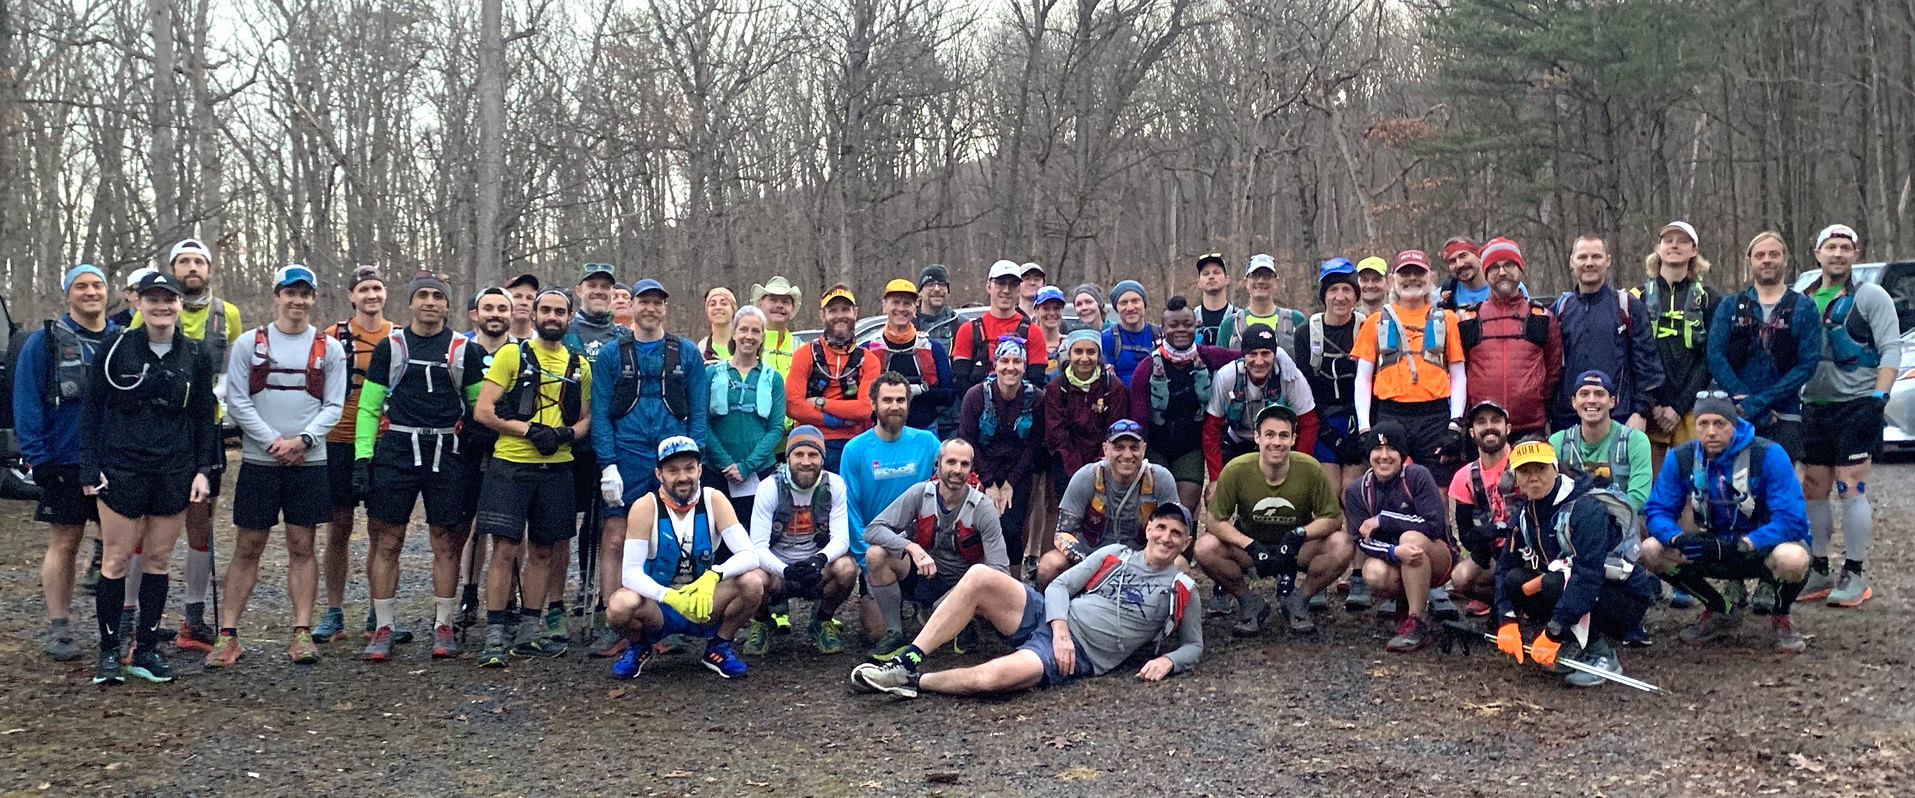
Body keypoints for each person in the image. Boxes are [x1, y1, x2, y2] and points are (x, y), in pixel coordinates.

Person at [850, 502, 1203, 698]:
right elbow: (1058, 587)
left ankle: (912, 683)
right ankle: (907, 661)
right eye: (1161, 527)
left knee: (987, 681)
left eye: (1176, 533)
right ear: (1148, 528)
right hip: (1052, 618)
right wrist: (1060, 628)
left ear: (1186, 542)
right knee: (980, 576)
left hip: (1080, 656)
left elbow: (1193, 645)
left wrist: (1169, 662)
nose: (1166, 537)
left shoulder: (1183, 586)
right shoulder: (1116, 554)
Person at [206, 265, 348, 668]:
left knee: (302, 545)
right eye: (290, 292)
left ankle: (302, 632)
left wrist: (302, 441)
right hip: (259, 460)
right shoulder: (250, 343)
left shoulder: (329, 348)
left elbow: (334, 405)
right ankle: (228, 634)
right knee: (248, 545)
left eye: (305, 294)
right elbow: (237, 400)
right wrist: (274, 442)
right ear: (277, 295)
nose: (297, 301)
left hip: (310, 460)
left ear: (314, 298)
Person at [82, 271, 219, 685]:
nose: (162, 307)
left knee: (159, 560)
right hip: (122, 468)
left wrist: (203, 470)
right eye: (153, 299)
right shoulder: (116, 347)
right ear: (137, 303)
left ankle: (146, 649)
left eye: (169, 300)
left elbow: (202, 417)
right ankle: (109, 651)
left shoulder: (195, 354)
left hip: (174, 470)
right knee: (117, 559)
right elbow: (91, 411)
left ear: (180, 305)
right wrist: (88, 467)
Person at [354, 271, 490, 660]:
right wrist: (363, 458)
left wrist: (479, 446)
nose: (430, 302)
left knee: (446, 541)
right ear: (411, 302)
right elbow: (368, 407)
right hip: (397, 447)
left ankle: (443, 625)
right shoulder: (390, 348)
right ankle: (383, 627)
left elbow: (481, 406)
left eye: (437, 296)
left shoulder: (467, 350)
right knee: (388, 539)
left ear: (448, 305)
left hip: (450, 450)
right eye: (423, 295)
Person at [473, 289, 594, 667]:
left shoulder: (580, 365)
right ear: (535, 314)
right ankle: (494, 632)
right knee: (505, 548)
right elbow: (483, 411)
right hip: (510, 464)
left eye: (560, 311)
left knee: (544, 549)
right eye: (546, 310)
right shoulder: (512, 354)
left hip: (557, 466)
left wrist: (565, 435)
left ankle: (529, 630)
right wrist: (526, 431)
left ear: (569, 317)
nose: (553, 316)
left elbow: (586, 419)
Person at [589, 278, 711, 656]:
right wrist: (607, 464)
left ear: (665, 308)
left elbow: (699, 412)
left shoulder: (686, 353)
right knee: (615, 537)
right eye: (644, 301)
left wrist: (695, 460)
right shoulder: (611, 354)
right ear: (631, 306)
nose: (651, 308)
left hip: (672, 455)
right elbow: (600, 413)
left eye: (658, 302)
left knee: (670, 538)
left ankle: (666, 619)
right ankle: (615, 620)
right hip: (626, 454)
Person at [1641, 393, 1811, 652]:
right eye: (1703, 423)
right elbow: (1656, 510)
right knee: (1651, 550)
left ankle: (1781, 617)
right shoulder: (1682, 457)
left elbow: (1792, 518)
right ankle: (1720, 610)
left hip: (1760, 546)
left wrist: (1748, 543)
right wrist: (1678, 538)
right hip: (1708, 544)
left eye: (1720, 423)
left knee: (1794, 558)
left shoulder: (1768, 454)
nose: (1711, 432)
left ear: (1735, 423)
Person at [1493, 440, 1657, 688]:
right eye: (1525, 471)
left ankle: (1601, 654)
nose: (1534, 478)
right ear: (1515, 477)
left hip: (1622, 597)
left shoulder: (1585, 507)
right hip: (1575, 590)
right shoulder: (1526, 511)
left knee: (1553, 582)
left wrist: (1553, 630)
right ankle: (1572, 639)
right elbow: (1506, 565)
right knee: (1516, 581)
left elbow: (1588, 574)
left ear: (1555, 468)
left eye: (1541, 469)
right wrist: (1505, 618)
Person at [16, 265, 119, 662]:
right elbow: (26, 401)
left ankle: (121, 622)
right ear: (68, 294)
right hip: (66, 458)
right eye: (81, 286)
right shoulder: (44, 342)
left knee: (122, 544)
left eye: (97, 285)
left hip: (117, 460)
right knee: (65, 541)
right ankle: (59, 626)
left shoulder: (123, 339)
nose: (90, 292)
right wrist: (37, 457)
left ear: (107, 292)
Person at [1797, 224, 1900, 608]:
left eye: (1845, 247)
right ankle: (1820, 568)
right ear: (1817, 252)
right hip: (1814, 406)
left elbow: (1890, 347)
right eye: (1830, 246)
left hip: (1858, 403)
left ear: (1856, 255)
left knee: (1850, 484)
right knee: (1813, 487)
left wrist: (1880, 396)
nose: (1837, 253)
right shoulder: (1802, 297)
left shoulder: (1871, 296)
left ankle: (1854, 572)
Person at [147, 238, 241, 654]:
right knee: (150, 528)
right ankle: (138, 621)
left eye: (198, 261)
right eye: (183, 261)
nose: (191, 268)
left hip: (209, 430)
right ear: (172, 268)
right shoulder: (150, 310)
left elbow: (233, 369)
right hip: (159, 433)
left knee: (201, 524)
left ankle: (194, 617)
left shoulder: (228, 314)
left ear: (209, 269)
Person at [604, 437, 761, 680]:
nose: (682, 477)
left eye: (689, 468)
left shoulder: (714, 500)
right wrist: (669, 596)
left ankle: (719, 646)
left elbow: (750, 555)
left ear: (700, 469)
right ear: (659, 474)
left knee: (752, 582)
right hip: (658, 607)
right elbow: (630, 573)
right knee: (619, 605)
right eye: (672, 470)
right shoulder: (645, 507)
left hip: (705, 602)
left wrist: (713, 577)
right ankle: (638, 646)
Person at [1194, 404, 1348, 637]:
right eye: (1270, 434)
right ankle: (1249, 601)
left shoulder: (1310, 468)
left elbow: (1333, 518)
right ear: (1257, 437)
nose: (1276, 442)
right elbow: (1215, 521)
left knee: (1342, 544)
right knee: (1205, 547)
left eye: (1284, 435)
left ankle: (1300, 599)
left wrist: (1299, 535)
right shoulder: (1236, 469)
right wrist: (1250, 545)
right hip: (1251, 546)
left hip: (1297, 548)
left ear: (1294, 438)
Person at [862, 438, 1009, 660]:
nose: (957, 470)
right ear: (937, 463)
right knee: (875, 555)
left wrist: (961, 596)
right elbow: (872, 530)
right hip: (922, 574)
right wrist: (912, 548)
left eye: (964, 464)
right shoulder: (920, 493)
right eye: (950, 462)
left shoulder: (982, 507)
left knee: (979, 589)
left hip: (962, 587)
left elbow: (1000, 569)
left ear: (971, 469)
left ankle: (964, 622)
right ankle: (895, 634)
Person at [315, 264, 391, 644]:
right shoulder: (333, 337)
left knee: (381, 530)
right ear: (351, 296)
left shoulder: (397, 337)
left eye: (376, 288)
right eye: (363, 289)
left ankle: (379, 610)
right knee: (339, 528)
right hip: (338, 439)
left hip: (384, 443)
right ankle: (334, 611)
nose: (371, 295)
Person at [1353, 250, 1469, 489]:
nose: (1412, 279)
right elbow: (1363, 379)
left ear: (1431, 276)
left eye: (1419, 272)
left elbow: (1458, 375)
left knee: (1438, 492)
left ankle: (1439, 528)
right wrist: (1365, 427)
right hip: (1391, 414)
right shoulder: (1375, 322)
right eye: (1405, 273)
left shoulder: (1447, 320)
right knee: (1391, 487)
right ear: (1392, 279)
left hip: (1434, 416)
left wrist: (1455, 424)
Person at [1706, 230, 1823, 461]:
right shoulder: (1730, 306)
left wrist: (1759, 402)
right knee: (1734, 487)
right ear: (1750, 261)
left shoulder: (1804, 307)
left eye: (1774, 254)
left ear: (1785, 260)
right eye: (1760, 255)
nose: (1767, 260)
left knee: (1780, 488)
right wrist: (1743, 398)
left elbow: (1807, 364)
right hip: (1736, 414)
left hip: (1784, 413)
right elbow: (1715, 356)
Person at [1342, 421, 1454, 652]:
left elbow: (1434, 526)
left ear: (1402, 454)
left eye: (1391, 449)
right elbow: (1361, 539)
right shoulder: (1357, 490)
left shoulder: (1417, 475)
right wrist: (1393, 552)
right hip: (1395, 557)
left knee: (1410, 539)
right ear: (1369, 454)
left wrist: (1383, 520)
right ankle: (1404, 604)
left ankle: (1417, 621)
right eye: (1377, 449)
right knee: (1372, 571)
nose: (1384, 456)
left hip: (1436, 556)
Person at [746, 425, 857, 655]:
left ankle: (822, 620)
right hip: (777, 569)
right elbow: (757, 546)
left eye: (813, 454)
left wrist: (819, 559)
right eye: (799, 454)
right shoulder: (769, 487)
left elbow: (842, 538)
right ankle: (763, 621)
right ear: (787, 457)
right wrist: (785, 570)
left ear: (823, 458)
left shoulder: (834, 484)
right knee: (751, 578)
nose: (806, 461)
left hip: (817, 567)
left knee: (847, 568)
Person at [1034, 420, 1179, 587]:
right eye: (1119, 447)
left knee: (1180, 566)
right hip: (1088, 555)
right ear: (1105, 449)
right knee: (1049, 564)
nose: (1127, 455)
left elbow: (1176, 530)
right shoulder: (1087, 476)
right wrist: (1091, 564)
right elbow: (1063, 533)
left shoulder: (1160, 479)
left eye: (1134, 448)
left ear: (1144, 449)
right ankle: (1043, 609)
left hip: (1143, 558)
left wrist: (1153, 558)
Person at [452, 287, 517, 643]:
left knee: (509, 527)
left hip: (508, 447)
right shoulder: (461, 350)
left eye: (502, 308)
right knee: (467, 523)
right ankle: (468, 592)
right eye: (487, 308)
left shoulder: (522, 351)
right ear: (475, 313)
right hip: (466, 447)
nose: (495, 314)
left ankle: (506, 597)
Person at [1128, 296, 1234, 509]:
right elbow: (1138, 421)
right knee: (1156, 509)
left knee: (1184, 509)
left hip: (1190, 448)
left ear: (1196, 326)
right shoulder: (1146, 369)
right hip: (1155, 447)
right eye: (1173, 325)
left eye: (1187, 324)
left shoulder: (1209, 357)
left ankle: (1188, 541)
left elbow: (1247, 357)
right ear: (1162, 329)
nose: (1181, 330)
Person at [1551, 234, 1663, 432]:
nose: (1589, 263)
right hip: (1568, 418)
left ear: (1608, 260)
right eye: (1582, 257)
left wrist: (1640, 412)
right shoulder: (1560, 310)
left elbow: (1647, 364)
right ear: (1572, 262)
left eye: (1596, 257)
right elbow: (1549, 369)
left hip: (1619, 416)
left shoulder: (1628, 306)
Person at [1635, 221, 1720, 476]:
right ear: (1658, 249)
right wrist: (1654, 405)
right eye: (1668, 240)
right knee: (1653, 487)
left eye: (1682, 241)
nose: (1674, 245)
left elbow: (1710, 358)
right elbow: (1635, 356)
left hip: (1693, 406)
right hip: (1651, 408)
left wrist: (1679, 406)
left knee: (1693, 490)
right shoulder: (1636, 297)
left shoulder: (1710, 299)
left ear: (1694, 250)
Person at [1456, 238, 1560, 441]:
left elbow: (1554, 369)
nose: (1502, 272)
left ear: (1521, 269)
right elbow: (1459, 371)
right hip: (1483, 427)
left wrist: (1536, 397)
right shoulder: (1469, 319)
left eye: (1509, 265)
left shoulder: (1541, 316)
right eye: (1494, 267)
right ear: (1485, 274)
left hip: (1530, 425)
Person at [959, 338, 1043, 576]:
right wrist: (989, 482)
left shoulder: (1035, 398)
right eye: (1004, 361)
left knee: (1012, 529)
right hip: (980, 468)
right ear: (994, 364)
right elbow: (968, 441)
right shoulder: (975, 396)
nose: (1010, 367)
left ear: (1025, 366)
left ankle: (1013, 583)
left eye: (1017, 361)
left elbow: (1034, 444)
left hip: (1018, 472)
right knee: (976, 529)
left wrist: (1009, 483)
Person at [703, 306, 787, 521]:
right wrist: (725, 463)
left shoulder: (773, 379)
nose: (749, 337)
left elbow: (776, 428)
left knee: (755, 533)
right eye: (744, 330)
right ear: (734, 332)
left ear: (762, 337)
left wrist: (746, 466)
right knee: (718, 534)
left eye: (756, 331)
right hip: (715, 471)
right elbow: (702, 423)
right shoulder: (712, 374)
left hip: (759, 471)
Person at [1204, 322, 1317, 480]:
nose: (1259, 361)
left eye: (1265, 353)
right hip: (1238, 443)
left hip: (1279, 446)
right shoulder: (1227, 376)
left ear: (1275, 354)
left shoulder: (1291, 377)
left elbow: (1309, 424)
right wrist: (1216, 479)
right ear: (1243, 355)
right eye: (1252, 354)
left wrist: (1298, 470)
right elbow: (1211, 430)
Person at [786, 284, 875, 472]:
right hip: (811, 443)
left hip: (853, 444)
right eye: (832, 310)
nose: (839, 315)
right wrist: (833, 420)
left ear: (855, 313)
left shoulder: (868, 359)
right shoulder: (805, 354)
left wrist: (820, 402)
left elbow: (865, 409)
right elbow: (792, 406)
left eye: (845, 309)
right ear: (822, 315)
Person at [1299, 259, 1366, 492]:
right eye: (1333, 289)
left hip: (1357, 420)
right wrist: (1327, 433)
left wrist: (1362, 431)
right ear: (1324, 295)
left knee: (1351, 492)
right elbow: (1303, 387)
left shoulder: (1366, 327)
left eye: (1347, 289)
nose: (1340, 297)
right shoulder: (1306, 332)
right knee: (1329, 493)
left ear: (1356, 296)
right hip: (1323, 421)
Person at [1042, 330, 1130, 501]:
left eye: (1091, 352)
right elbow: (1055, 433)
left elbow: (1115, 430)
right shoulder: (1057, 386)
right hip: (1067, 465)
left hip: (1105, 464)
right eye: (1078, 351)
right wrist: (1076, 470)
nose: (1084, 358)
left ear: (1099, 354)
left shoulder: (1112, 386)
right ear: (1069, 354)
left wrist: (1099, 465)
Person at [1547, 371, 1654, 511]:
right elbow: (1549, 494)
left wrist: (1597, 518)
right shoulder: (1558, 442)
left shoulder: (1635, 441)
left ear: (1612, 401)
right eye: (1584, 394)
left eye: (1599, 394)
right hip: (1571, 525)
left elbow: (1638, 499)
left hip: (1623, 524)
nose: (1591, 400)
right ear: (1574, 401)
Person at [1449, 401, 1514, 617]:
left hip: (1528, 552)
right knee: (1460, 577)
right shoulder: (1464, 476)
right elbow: (1465, 533)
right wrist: (1480, 541)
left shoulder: (1523, 463)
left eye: (1496, 420)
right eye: (1481, 422)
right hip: (1493, 554)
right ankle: (1503, 604)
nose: (1489, 426)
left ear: (1508, 428)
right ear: (1471, 432)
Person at [867, 278, 954, 431]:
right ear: (884, 306)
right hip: (881, 431)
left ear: (915, 308)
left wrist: (920, 391)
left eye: (907, 304)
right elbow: (863, 398)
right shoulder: (869, 349)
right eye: (895, 302)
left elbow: (949, 396)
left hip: (924, 430)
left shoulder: (932, 348)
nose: (901, 308)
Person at [954, 260, 1047, 390]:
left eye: (1013, 285)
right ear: (988, 286)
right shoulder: (968, 330)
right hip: (978, 406)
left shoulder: (1033, 332)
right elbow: (961, 380)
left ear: (1019, 289)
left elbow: (1036, 381)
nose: (1006, 290)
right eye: (1000, 283)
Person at [1220, 254, 1308, 362]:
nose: (1261, 281)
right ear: (1246, 282)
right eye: (1255, 275)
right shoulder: (1230, 325)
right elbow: (1219, 370)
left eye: (1267, 276)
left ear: (1276, 282)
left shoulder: (1295, 320)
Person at [914, 264, 963, 437]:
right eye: (930, 284)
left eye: (942, 284)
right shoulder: (909, 325)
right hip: (919, 419)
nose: (937, 289)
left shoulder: (962, 325)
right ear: (919, 292)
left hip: (955, 419)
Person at [1103, 280, 1157, 385]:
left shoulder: (1159, 335)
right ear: (1116, 308)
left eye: (1135, 301)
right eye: (1123, 303)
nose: (1130, 308)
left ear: (1144, 304)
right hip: (1122, 399)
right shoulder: (1107, 338)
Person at [751, 275, 802, 376]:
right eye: (773, 300)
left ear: (792, 307)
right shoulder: (748, 344)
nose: (779, 305)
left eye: (785, 301)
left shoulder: (802, 349)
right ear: (760, 304)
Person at [1193, 252, 1236, 347]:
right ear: (1198, 282)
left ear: (1227, 279)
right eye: (1206, 273)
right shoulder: (1190, 320)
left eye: (1216, 272)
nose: (1211, 276)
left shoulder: (1238, 319)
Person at [1438, 237, 1490, 309]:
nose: (1459, 264)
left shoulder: (1499, 287)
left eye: (1463, 256)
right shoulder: (1447, 292)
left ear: (1478, 255)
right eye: (1452, 261)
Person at [1031, 285, 1068, 375]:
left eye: (1056, 308)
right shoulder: (1028, 344)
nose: (1052, 313)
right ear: (1036, 311)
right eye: (1046, 308)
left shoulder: (1070, 345)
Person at [697, 286, 735, 363]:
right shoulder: (701, 350)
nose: (718, 307)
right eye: (712, 304)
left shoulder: (744, 346)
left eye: (724, 303)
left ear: (733, 308)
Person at [504, 272, 540, 341]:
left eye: (529, 298)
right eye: (517, 297)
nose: (524, 302)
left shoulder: (544, 344)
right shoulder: (493, 342)